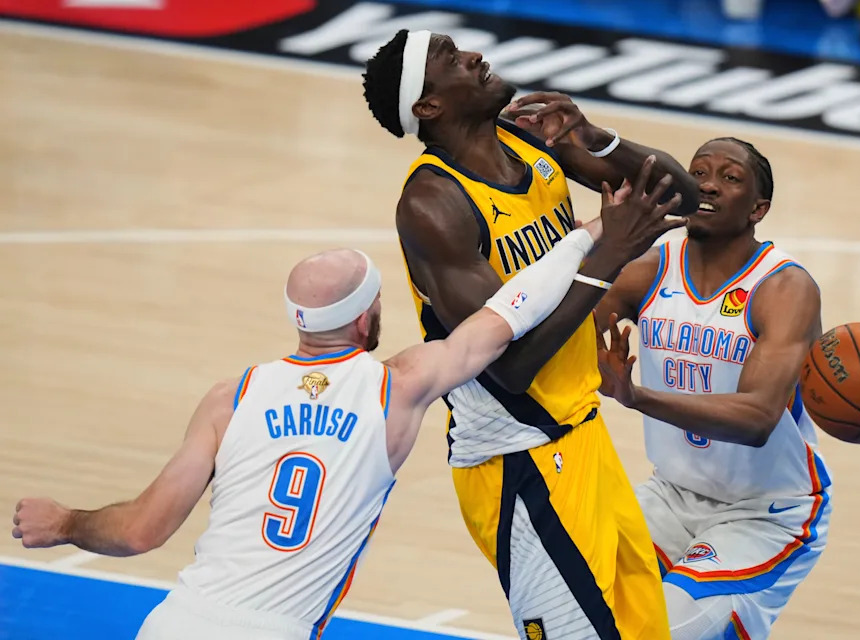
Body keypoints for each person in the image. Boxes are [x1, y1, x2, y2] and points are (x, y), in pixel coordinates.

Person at [10, 166, 674, 639]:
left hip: (175, 622)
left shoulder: (229, 397)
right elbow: (507, 312)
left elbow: (138, 532)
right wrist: (594, 237)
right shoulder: (399, 385)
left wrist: (66, 520)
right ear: (368, 316)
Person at [362, 28, 699, 640]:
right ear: (428, 106)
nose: (473, 54)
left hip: (583, 434)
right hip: (518, 457)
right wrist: (606, 256)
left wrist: (599, 139)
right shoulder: (433, 202)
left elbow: (682, 194)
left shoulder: (524, 139)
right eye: (450, 58)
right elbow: (507, 367)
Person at [594, 138, 833, 640]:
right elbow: (563, 326)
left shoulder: (784, 288)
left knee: (661, 631)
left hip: (766, 512)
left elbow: (756, 418)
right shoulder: (652, 269)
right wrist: (603, 243)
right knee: (570, 599)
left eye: (730, 177)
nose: (707, 183)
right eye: (699, 171)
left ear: (758, 209)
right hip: (672, 494)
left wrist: (636, 396)